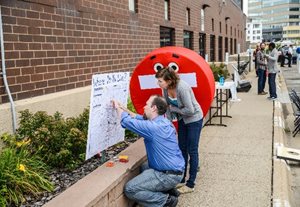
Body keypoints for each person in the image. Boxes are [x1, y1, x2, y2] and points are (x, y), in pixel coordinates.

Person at [113, 95, 185, 207]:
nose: (144, 107)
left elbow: (127, 122)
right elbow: (138, 118)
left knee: (130, 189)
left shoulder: (153, 128)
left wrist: (117, 107)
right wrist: (125, 109)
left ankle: (165, 201)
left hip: (167, 175)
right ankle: (169, 190)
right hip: (177, 170)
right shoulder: (164, 121)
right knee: (145, 166)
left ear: (154, 108)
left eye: (147, 104)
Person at [155, 67, 203, 194]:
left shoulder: (182, 87)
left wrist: (174, 109)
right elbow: (168, 108)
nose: (158, 84)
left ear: (169, 80)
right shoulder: (165, 89)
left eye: (160, 81)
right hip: (183, 120)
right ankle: (181, 179)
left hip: (194, 119)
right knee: (182, 149)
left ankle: (191, 183)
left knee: (192, 150)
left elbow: (190, 110)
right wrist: (170, 125)